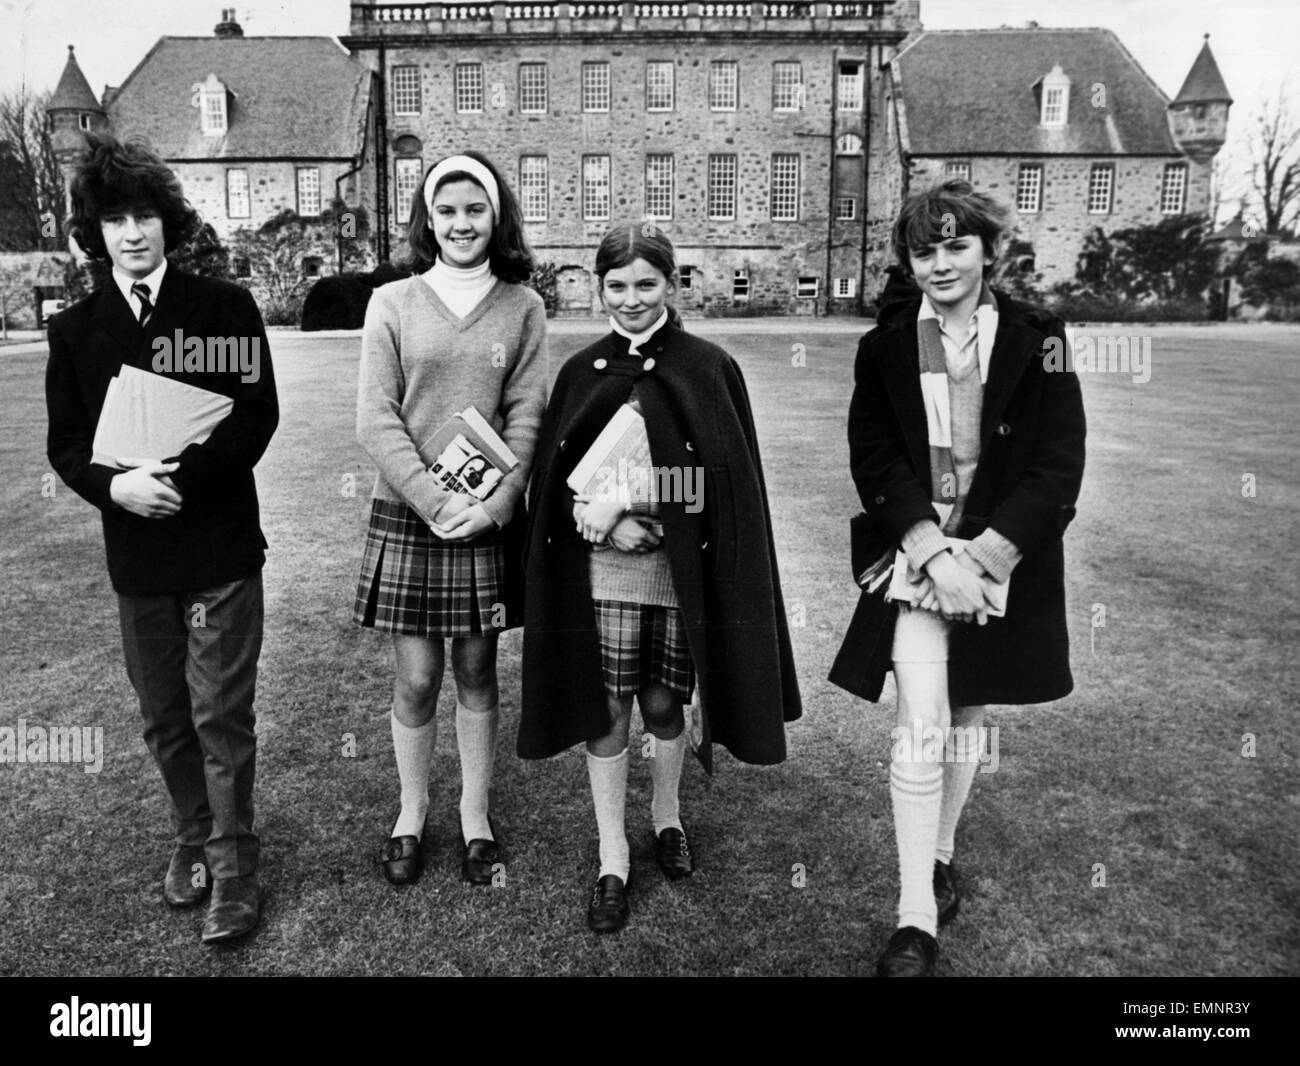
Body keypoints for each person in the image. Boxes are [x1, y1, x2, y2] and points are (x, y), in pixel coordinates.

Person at [829, 179, 1086, 976]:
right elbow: (873, 457)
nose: (939, 263)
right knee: (920, 724)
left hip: (998, 562)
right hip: (915, 560)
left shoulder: (1041, 336)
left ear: (987, 250)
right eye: (923, 249)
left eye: (955, 245)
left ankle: (940, 853)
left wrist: (986, 558)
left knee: (967, 711)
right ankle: (915, 918)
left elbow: (1056, 465)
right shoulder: (884, 347)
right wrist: (933, 552)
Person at [519, 222, 801, 934]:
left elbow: (720, 484)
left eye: (647, 284)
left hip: (676, 581)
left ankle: (667, 817)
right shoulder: (582, 370)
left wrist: (633, 498)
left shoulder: (707, 367)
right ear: (598, 286)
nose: (632, 299)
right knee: (608, 707)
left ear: (672, 286)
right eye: (617, 285)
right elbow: (554, 486)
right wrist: (607, 519)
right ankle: (613, 852)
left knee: (664, 702)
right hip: (602, 576)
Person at [46, 132, 279, 944]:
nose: (133, 232)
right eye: (115, 219)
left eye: (146, 214)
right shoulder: (74, 331)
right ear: (94, 231)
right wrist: (114, 486)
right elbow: (66, 444)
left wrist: (178, 478)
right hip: (137, 555)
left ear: (168, 223)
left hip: (216, 546)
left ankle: (235, 867)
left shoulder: (222, 310)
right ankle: (192, 839)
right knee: (165, 715)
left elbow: (256, 414)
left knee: (221, 713)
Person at [353, 152, 546, 887]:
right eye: (447, 210)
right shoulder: (393, 302)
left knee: (474, 667)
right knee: (417, 675)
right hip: (413, 514)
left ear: (496, 217)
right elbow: (374, 419)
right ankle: (411, 812)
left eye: (476, 209)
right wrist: (435, 502)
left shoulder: (522, 306)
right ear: (427, 220)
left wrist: (493, 506)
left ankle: (474, 815)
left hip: (485, 519)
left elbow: (528, 417)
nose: (461, 223)